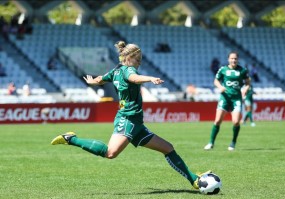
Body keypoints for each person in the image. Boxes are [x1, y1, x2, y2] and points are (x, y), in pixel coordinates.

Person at [51, 41, 211, 189]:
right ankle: (71, 139)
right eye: (138, 58)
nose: (140, 61)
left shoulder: (115, 71)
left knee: (168, 148)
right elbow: (133, 78)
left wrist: (95, 81)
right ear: (130, 57)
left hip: (136, 124)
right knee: (110, 153)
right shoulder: (128, 70)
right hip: (128, 120)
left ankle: (194, 181)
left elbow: (103, 79)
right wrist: (150, 78)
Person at [204, 51, 250, 151]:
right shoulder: (223, 69)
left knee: (236, 122)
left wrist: (246, 88)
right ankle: (211, 143)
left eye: (235, 59)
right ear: (228, 59)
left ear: (238, 60)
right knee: (217, 121)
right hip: (224, 98)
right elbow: (216, 81)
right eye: (232, 58)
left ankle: (233, 142)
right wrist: (220, 87)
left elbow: (248, 82)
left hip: (236, 98)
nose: (233, 60)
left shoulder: (242, 70)